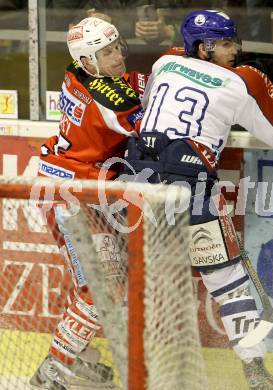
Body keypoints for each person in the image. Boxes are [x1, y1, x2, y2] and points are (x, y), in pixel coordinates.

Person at [123, 9, 273, 390]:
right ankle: (254, 369)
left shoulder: (165, 62)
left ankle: (134, 368)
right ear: (202, 47)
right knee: (228, 283)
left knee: (142, 280)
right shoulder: (241, 81)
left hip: (138, 182)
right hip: (189, 187)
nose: (234, 48)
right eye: (224, 43)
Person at [30, 16, 145, 389]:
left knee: (102, 287)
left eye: (116, 48)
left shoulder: (75, 70)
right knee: (101, 291)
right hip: (71, 195)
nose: (117, 57)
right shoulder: (113, 98)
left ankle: (76, 358)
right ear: (86, 61)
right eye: (105, 53)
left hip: (82, 186)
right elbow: (150, 124)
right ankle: (55, 370)